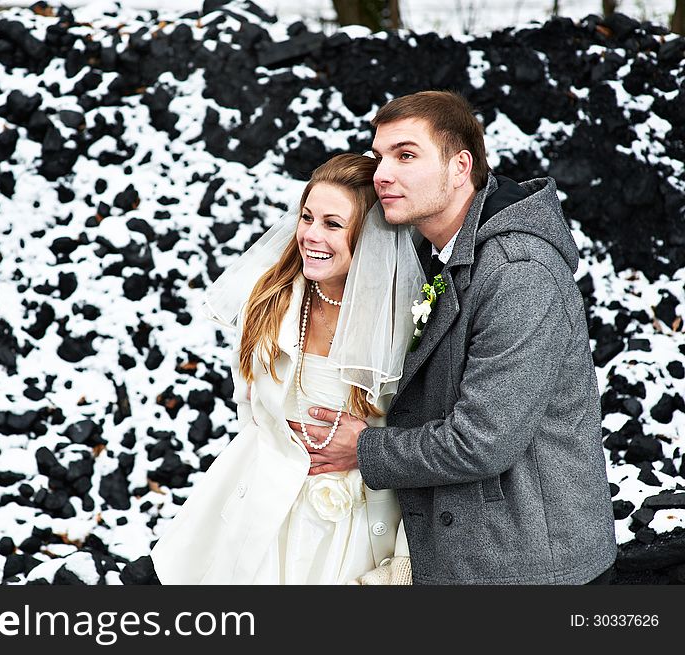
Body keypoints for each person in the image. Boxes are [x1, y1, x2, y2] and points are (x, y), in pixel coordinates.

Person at [301, 91, 617, 585]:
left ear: (459, 166)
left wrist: (363, 450)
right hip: (467, 551)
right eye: (379, 155)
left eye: (406, 155)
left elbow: (482, 441)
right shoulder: (430, 250)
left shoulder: (519, 273)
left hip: (527, 566)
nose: (382, 173)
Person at [150, 154, 424, 584]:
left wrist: (402, 563)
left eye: (333, 224)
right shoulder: (271, 301)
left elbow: (421, 443)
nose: (311, 235)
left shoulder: (408, 324)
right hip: (259, 507)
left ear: (373, 238)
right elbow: (252, 413)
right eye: (307, 217)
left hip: (351, 526)